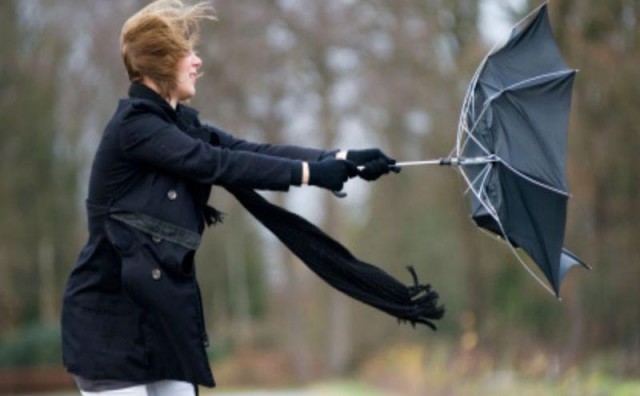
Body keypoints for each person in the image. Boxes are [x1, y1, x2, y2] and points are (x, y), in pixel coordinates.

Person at [60, 1, 397, 395]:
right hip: (110, 326)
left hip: (161, 320)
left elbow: (250, 150)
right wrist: (309, 175)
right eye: (188, 53)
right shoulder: (134, 128)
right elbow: (214, 163)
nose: (197, 62)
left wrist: (338, 159)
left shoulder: (180, 125)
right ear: (163, 60)